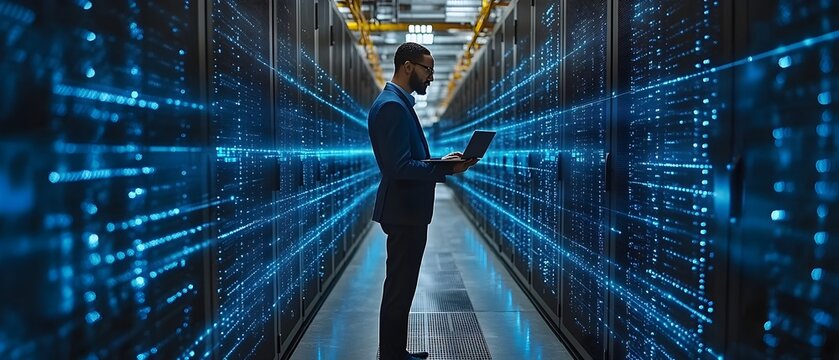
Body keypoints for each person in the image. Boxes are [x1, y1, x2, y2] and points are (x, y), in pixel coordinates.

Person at [367, 42, 478, 360]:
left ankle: (395, 352)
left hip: (408, 210)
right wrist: (445, 169)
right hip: (404, 212)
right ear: (407, 67)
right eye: (427, 69)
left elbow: (406, 159)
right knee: (399, 290)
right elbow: (397, 167)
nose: (431, 76)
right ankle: (391, 355)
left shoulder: (399, 103)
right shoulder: (391, 106)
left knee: (402, 288)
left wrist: (441, 163)